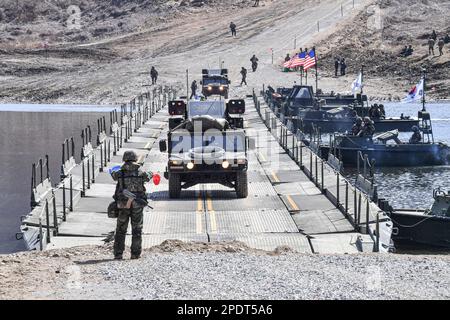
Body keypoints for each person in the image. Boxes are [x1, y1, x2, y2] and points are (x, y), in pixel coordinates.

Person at [112, 151, 151, 260]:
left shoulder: (120, 173)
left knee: (120, 230)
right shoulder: (141, 172)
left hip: (123, 205)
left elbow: (113, 175)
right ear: (135, 159)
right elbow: (148, 177)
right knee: (137, 230)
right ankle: (135, 254)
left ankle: (118, 254)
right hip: (137, 205)